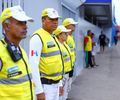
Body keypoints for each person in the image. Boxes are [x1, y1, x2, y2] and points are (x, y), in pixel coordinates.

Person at [0, 6, 35, 100]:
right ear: (6, 26)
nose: (25, 26)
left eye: (25, 22)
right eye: (20, 23)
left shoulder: (21, 51)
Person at [29, 8, 64, 100]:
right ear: (43, 20)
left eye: (56, 19)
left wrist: (60, 83)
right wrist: (39, 90)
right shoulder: (37, 37)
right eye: (51, 19)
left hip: (55, 85)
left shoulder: (53, 37)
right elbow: (33, 66)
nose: (55, 22)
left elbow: (57, 62)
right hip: (45, 86)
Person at [54, 25, 72, 100]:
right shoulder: (57, 46)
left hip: (67, 73)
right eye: (65, 34)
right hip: (62, 75)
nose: (67, 35)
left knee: (65, 94)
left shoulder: (65, 45)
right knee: (60, 95)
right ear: (59, 35)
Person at [62, 18, 78, 92]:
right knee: (64, 86)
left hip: (71, 65)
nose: (74, 26)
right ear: (67, 26)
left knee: (68, 85)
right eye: (72, 24)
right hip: (65, 67)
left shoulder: (70, 37)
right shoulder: (65, 37)